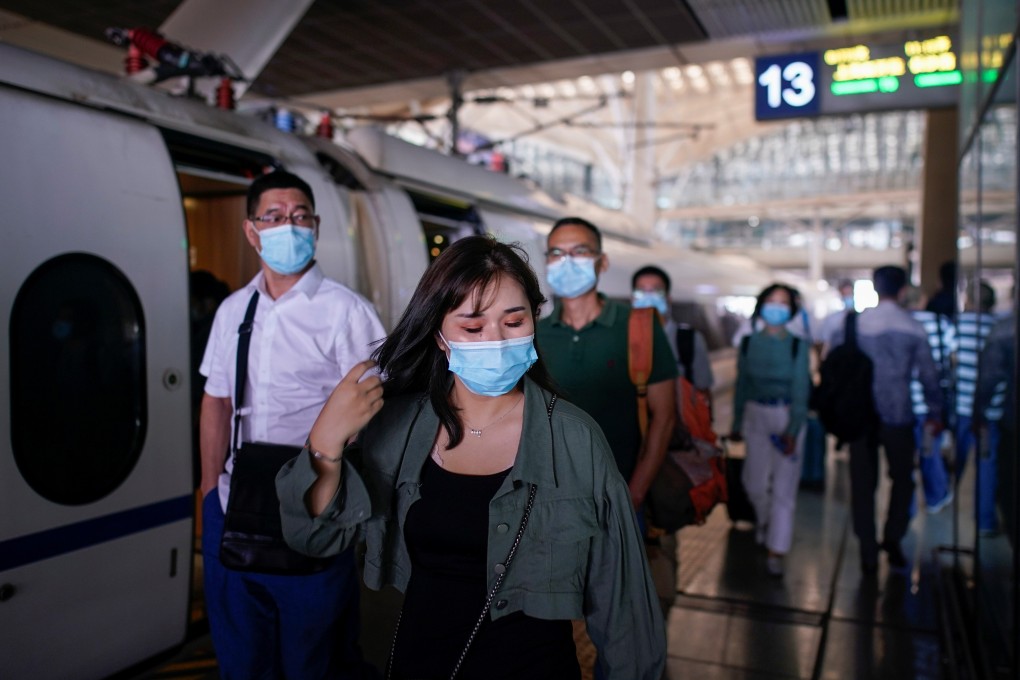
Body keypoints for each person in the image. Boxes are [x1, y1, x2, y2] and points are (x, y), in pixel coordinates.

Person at [277, 236, 666, 680]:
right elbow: (313, 538)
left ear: (534, 320)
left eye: (514, 321)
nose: (496, 341)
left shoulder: (576, 440)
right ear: (440, 336)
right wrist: (325, 446)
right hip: (420, 665)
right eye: (473, 328)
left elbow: (624, 610)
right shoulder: (398, 430)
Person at [199, 170, 385, 679]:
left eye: (300, 216)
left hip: (314, 499)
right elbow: (216, 400)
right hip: (235, 498)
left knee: (315, 656)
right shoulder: (234, 311)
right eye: (275, 217)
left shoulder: (347, 312)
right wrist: (205, 490)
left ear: (317, 227)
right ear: (252, 231)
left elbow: (378, 409)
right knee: (241, 653)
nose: (290, 226)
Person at [535, 217, 677, 515]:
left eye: (580, 252)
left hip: (619, 495)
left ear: (603, 262)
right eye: (557, 253)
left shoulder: (640, 326)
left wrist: (634, 493)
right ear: (547, 261)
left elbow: (663, 416)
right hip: (551, 500)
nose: (567, 262)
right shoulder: (535, 333)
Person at [827, 266, 943, 575]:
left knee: (863, 483)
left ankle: (867, 548)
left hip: (858, 413)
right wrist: (935, 413)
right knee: (903, 478)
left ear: (875, 289)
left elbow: (832, 361)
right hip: (898, 412)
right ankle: (893, 537)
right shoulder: (913, 328)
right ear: (904, 290)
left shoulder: (853, 323)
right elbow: (929, 376)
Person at [728, 283, 811, 577]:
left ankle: (776, 548)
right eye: (771, 301)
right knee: (754, 482)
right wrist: (736, 423)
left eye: (783, 303)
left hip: (787, 414)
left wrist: (793, 428)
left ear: (791, 311)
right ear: (761, 305)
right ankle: (765, 522)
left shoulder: (797, 345)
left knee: (784, 489)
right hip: (755, 414)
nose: (776, 307)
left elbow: (802, 387)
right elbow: (741, 386)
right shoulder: (749, 342)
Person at [954, 280, 1007, 533]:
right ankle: (985, 521)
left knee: (956, 459)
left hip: (961, 406)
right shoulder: (999, 328)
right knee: (987, 465)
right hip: (991, 411)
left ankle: (941, 503)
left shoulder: (957, 325)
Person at [903, 286, 954, 514]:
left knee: (904, 460)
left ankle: (908, 506)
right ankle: (935, 497)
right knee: (929, 452)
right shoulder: (940, 324)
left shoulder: (898, 322)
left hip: (903, 403)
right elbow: (953, 357)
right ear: (923, 300)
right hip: (929, 403)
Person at [973, 312, 1015, 543]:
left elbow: (989, 378)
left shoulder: (1005, 329)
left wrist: (978, 411)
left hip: (1010, 419)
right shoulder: (1003, 329)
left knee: (1008, 483)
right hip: (1008, 417)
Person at [815, 279, 855, 353]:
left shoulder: (861, 318)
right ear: (840, 295)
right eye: (845, 294)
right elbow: (825, 343)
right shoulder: (832, 319)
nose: (848, 297)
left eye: (849, 293)